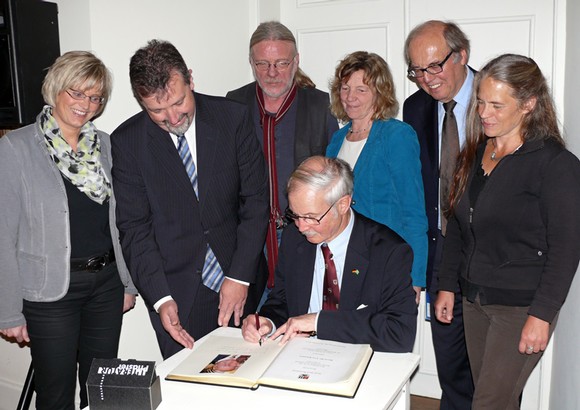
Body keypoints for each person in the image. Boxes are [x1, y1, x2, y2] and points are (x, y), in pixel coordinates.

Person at [434, 53, 580, 409]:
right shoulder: (476, 152)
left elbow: (566, 248)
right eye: (481, 101)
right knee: (497, 397)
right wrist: (447, 286)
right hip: (474, 301)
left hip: (520, 307)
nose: (484, 113)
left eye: (497, 105)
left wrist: (541, 316)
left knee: (488, 402)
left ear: (529, 104)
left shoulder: (555, 165)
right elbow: (457, 226)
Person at [111, 40, 269, 359]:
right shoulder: (128, 143)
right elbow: (134, 230)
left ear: (190, 79)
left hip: (238, 277)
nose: (171, 117)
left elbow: (255, 202)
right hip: (176, 294)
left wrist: (239, 276)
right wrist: (160, 299)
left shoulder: (233, 119)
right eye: (156, 110)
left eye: (178, 102)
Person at [0, 51, 137, 410]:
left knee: (101, 390)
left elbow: (120, 221)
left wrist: (126, 282)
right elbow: (2, 235)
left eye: (95, 97)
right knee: (55, 394)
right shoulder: (15, 148)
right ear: (57, 88)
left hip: (106, 285)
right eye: (78, 93)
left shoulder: (106, 146)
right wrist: (9, 311)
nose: (86, 104)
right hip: (50, 295)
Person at [241, 156, 417, 352]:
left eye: (310, 217)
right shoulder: (293, 238)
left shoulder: (388, 252)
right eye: (294, 215)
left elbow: (400, 333)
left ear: (343, 204)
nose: (301, 226)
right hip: (297, 357)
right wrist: (267, 321)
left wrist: (318, 322)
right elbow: (282, 300)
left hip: (359, 363)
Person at [226, 21, 338, 289]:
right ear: (251, 63)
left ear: (296, 61)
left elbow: (334, 175)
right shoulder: (233, 104)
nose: (272, 73)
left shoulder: (320, 105)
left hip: (304, 235)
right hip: (250, 241)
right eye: (263, 64)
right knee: (255, 323)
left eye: (281, 63)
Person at [402, 20, 475, 408]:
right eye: (417, 70)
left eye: (435, 66)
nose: (427, 79)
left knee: (492, 375)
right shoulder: (414, 107)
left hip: (491, 259)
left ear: (462, 55)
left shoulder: (495, 97)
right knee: (450, 367)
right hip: (441, 251)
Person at [326, 51, 427, 304]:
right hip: (343, 261)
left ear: (379, 92)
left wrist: (415, 277)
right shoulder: (336, 140)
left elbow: (413, 211)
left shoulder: (397, 135)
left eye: (361, 89)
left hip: (386, 261)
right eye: (345, 88)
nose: (350, 97)